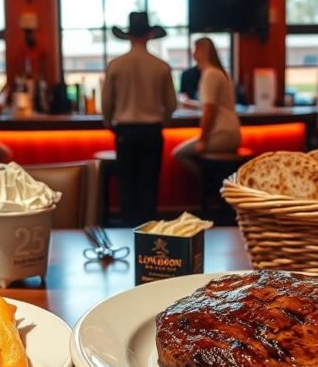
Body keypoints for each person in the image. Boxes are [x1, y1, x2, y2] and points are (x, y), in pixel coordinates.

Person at [102, 12, 178, 225]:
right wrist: (164, 121)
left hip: (125, 130)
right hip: (152, 130)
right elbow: (171, 104)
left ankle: (128, 228)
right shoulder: (161, 66)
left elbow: (106, 102)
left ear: (128, 36)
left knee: (127, 185)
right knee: (149, 184)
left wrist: (109, 123)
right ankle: (148, 230)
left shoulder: (116, 65)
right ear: (149, 35)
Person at [173, 38, 242, 176]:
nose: (193, 54)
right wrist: (185, 103)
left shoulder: (210, 74)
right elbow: (209, 105)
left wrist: (203, 140)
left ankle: (210, 181)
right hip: (231, 133)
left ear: (203, 52)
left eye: (195, 49)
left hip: (222, 134)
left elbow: (209, 110)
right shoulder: (219, 72)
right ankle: (216, 180)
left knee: (180, 154)